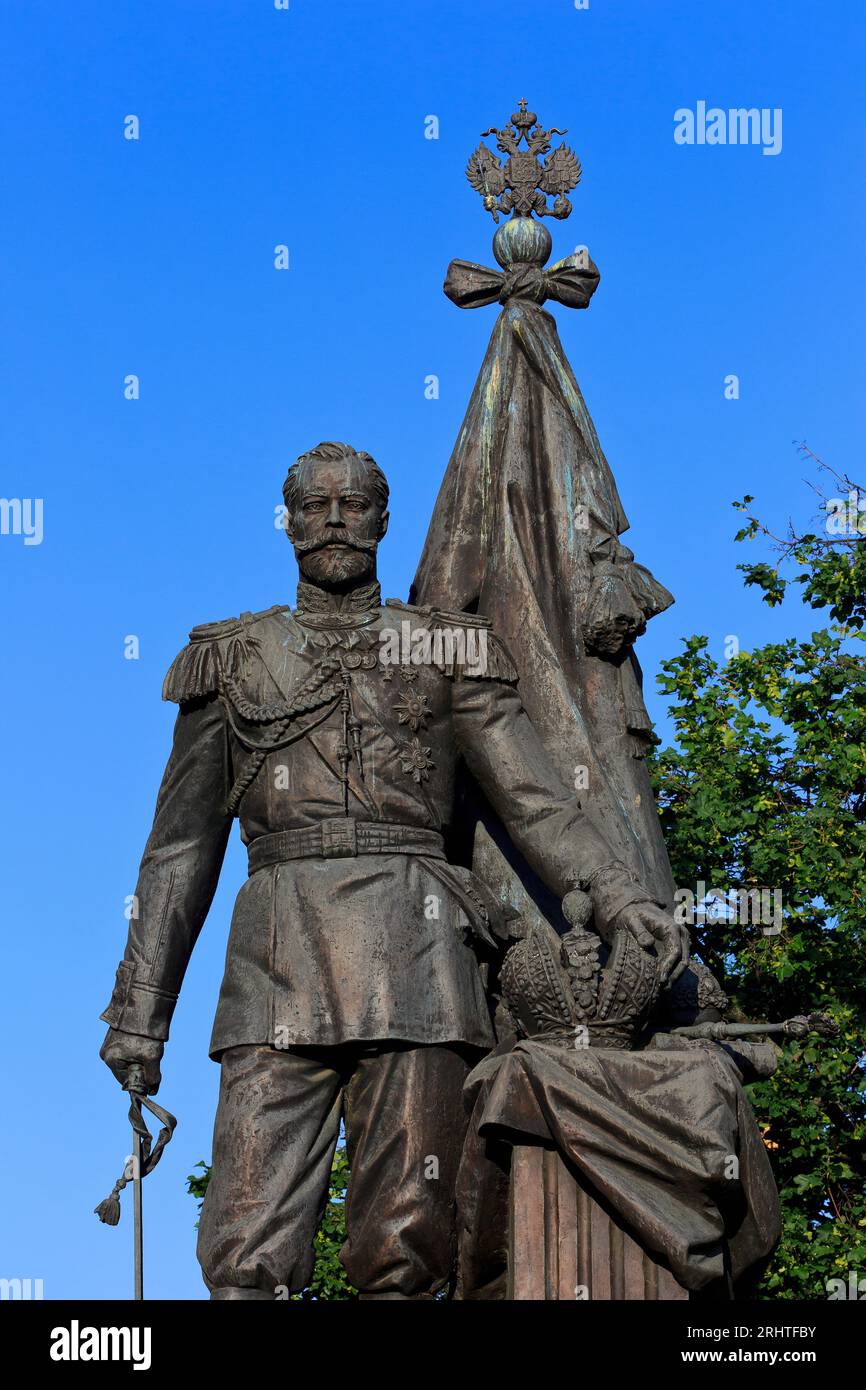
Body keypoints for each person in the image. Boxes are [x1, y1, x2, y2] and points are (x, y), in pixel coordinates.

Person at [99, 440, 688, 1300]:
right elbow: (180, 851)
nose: (335, 519)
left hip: (419, 964)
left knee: (407, 1245)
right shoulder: (232, 659)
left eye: (354, 504)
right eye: (314, 505)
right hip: (276, 966)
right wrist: (140, 1016)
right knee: (243, 1245)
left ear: (383, 518)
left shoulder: (447, 650)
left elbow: (535, 802)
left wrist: (625, 896)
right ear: (289, 522)